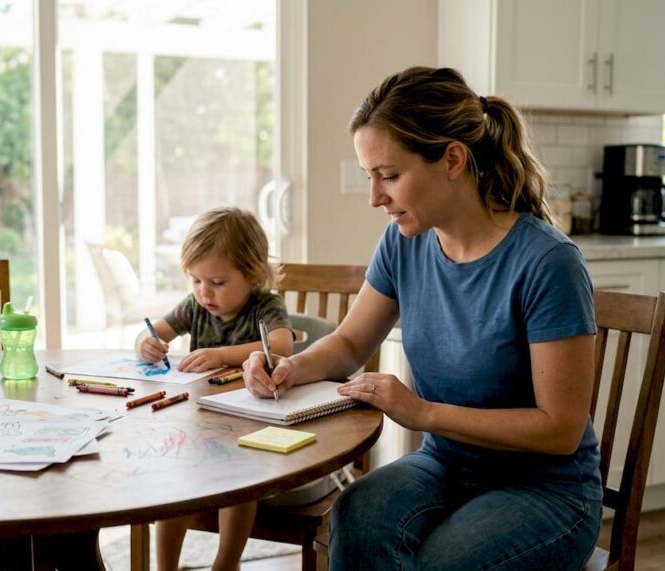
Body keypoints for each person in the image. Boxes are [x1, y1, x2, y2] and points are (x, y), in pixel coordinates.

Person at [242, 66, 602, 570]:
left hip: (545, 490)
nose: (374, 197)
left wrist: (422, 413)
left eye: (389, 176)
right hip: (447, 465)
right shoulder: (403, 241)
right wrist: (287, 366)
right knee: (356, 517)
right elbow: (349, 345)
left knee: (440, 563)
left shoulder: (547, 262)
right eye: (370, 177)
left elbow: (559, 429)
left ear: (452, 159)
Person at [135, 206, 294, 571]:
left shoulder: (265, 306)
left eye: (217, 283)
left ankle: (226, 563)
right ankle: (166, 567)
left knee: (239, 483)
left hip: (250, 432)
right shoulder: (194, 308)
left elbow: (283, 347)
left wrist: (221, 353)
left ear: (252, 274)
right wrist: (145, 343)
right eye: (195, 280)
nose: (204, 292)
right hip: (197, 428)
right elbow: (151, 331)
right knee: (174, 486)